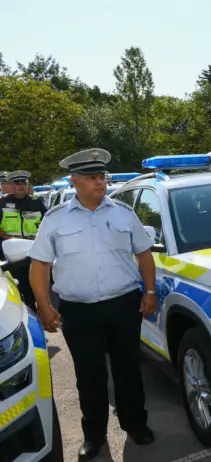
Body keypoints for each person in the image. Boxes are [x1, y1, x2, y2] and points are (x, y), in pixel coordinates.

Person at [28, 148, 158, 461]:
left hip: (123, 305)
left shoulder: (123, 213)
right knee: (89, 375)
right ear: (74, 181)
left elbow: (143, 253)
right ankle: (94, 436)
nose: (99, 182)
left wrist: (150, 291)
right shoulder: (55, 219)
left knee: (128, 369)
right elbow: (40, 265)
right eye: (91, 177)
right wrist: (44, 305)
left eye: (101, 176)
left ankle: (135, 424)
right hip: (79, 310)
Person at [0, 170, 48, 309]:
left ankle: (34, 309)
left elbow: (47, 224)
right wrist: (7, 237)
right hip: (9, 253)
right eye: (17, 183)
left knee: (32, 286)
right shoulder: (2, 203)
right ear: (11, 185)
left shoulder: (36, 202)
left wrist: (38, 237)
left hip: (32, 251)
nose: (21, 186)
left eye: (24, 183)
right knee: (13, 286)